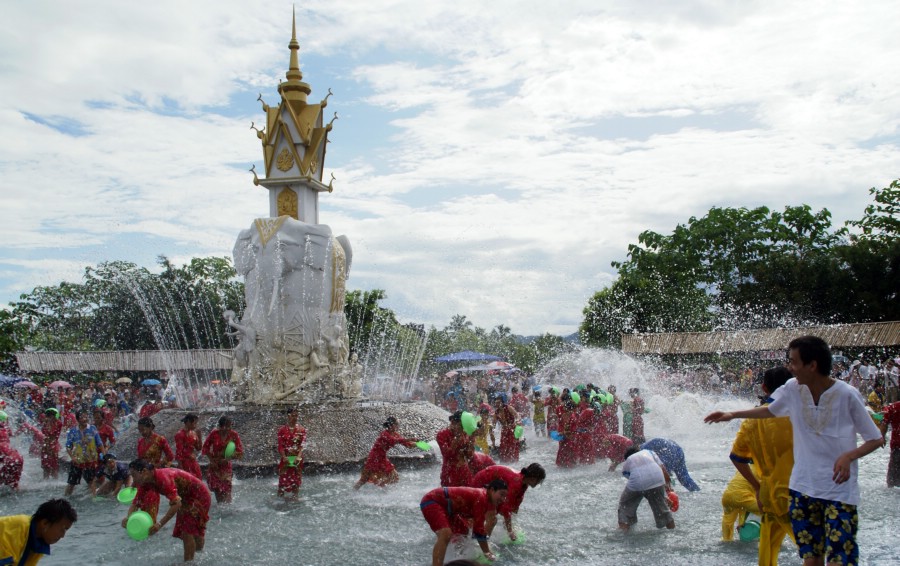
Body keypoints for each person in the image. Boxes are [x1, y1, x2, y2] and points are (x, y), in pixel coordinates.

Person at [705, 336, 884, 566]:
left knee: (841, 558)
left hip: (839, 491)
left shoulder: (847, 395)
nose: (790, 368)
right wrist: (732, 414)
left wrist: (849, 456)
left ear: (812, 365)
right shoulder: (792, 389)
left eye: (793, 362)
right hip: (802, 489)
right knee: (811, 557)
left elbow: (875, 438)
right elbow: (771, 411)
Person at [727, 366, 794, 562]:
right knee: (814, 550)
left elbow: (736, 457)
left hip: (770, 495)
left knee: (768, 552)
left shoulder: (752, 420)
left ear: (764, 388)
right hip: (801, 492)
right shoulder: (803, 412)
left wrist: (757, 487)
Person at [123, 459, 211, 563]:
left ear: (144, 471)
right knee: (192, 529)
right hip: (186, 497)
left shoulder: (162, 478)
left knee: (187, 530)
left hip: (199, 496)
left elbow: (176, 504)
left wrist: (159, 524)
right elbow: (136, 502)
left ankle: (188, 563)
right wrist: (128, 518)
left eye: (134, 475)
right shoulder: (146, 482)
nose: (133, 480)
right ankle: (200, 556)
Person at [420, 479, 508, 566]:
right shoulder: (482, 497)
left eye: (505, 496)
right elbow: (478, 530)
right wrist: (487, 552)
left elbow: (490, 521)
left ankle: (457, 560)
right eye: (501, 494)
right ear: (492, 490)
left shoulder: (489, 500)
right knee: (445, 533)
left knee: (463, 532)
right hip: (432, 501)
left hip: (450, 510)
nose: (503, 499)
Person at [470, 463, 545, 540]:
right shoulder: (516, 483)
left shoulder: (523, 483)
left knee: (496, 512)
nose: (539, 483)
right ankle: (480, 545)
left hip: (488, 485)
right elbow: (506, 509)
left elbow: (515, 506)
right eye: (539, 480)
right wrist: (510, 532)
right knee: (492, 520)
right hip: (479, 483)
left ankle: (479, 537)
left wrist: (510, 525)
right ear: (533, 478)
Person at [0, 498, 77, 565]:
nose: (63, 535)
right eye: (62, 529)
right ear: (45, 523)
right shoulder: (18, 527)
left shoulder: (39, 543)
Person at [617, 446, 675, 532]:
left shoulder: (628, 460)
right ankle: (672, 531)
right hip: (658, 480)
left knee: (625, 506)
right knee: (663, 511)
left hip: (637, 483)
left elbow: (640, 483)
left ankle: (624, 532)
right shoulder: (649, 452)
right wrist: (668, 493)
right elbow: (663, 471)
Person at [354, 415, 414, 490]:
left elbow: (408, 445)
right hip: (374, 458)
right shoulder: (384, 434)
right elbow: (394, 441)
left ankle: (381, 488)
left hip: (382, 458)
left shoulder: (396, 434)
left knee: (394, 477)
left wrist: (422, 445)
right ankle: (352, 492)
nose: (398, 426)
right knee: (363, 480)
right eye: (397, 424)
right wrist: (409, 439)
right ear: (391, 425)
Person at [201, 415, 244, 504]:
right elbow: (205, 448)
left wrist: (227, 459)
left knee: (227, 486)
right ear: (220, 426)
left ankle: (228, 506)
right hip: (215, 465)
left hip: (226, 465)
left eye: (230, 426)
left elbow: (240, 451)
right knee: (217, 488)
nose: (228, 428)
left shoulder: (233, 434)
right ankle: (220, 506)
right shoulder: (214, 434)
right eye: (226, 426)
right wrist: (211, 461)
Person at [64, 410, 104, 497]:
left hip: (90, 460)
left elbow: (99, 443)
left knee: (91, 481)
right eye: (82, 417)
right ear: (78, 419)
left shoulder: (92, 428)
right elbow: (68, 446)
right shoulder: (73, 431)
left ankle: (94, 498)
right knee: (71, 482)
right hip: (77, 461)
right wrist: (72, 457)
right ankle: (65, 497)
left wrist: (104, 455)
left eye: (86, 417)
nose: (85, 419)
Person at [437, 411, 474, 487]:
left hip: (464, 472)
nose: (463, 429)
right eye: (461, 425)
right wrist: (456, 439)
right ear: (453, 422)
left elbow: (469, 456)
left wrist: (471, 442)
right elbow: (447, 454)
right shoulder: (442, 435)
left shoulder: (465, 433)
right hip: (449, 472)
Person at [720, 470, 760, 541]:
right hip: (742, 496)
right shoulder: (762, 470)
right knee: (767, 510)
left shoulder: (743, 468)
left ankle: (726, 540)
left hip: (727, 497)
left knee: (728, 520)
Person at [277, 408, 307, 498]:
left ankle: (295, 498)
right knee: (282, 481)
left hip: (297, 459)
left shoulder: (301, 430)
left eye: (296, 416)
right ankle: (280, 499)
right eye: (293, 415)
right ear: (288, 416)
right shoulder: (282, 430)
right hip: (285, 459)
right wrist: (284, 456)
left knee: (296, 480)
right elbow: (280, 446)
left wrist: (298, 456)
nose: (295, 418)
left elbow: (303, 445)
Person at [491, 393, 520, 463]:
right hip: (504, 431)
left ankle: (514, 462)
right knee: (503, 447)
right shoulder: (496, 412)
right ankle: (505, 462)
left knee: (513, 446)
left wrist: (516, 422)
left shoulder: (508, 407)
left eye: (498, 402)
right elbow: (493, 424)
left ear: (502, 402)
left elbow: (517, 415)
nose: (497, 404)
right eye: (495, 403)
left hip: (512, 429)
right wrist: (491, 427)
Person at [174, 413, 202, 479]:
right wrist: (181, 468)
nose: (196, 426)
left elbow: (198, 448)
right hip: (184, 464)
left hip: (193, 463)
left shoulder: (194, 433)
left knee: (197, 483)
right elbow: (179, 452)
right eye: (195, 423)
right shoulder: (180, 434)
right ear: (188, 422)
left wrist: (200, 437)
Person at [880, 398, 900, 487]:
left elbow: (884, 423)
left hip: (897, 446)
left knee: (892, 479)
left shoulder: (893, 407)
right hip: (896, 445)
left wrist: (882, 437)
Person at [39, 408, 62, 480]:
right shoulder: (45, 425)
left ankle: (55, 481)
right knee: (46, 468)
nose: (52, 418)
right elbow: (45, 436)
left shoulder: (58, 423)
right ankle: (46, 482)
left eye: (53, 416)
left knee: (54, 468)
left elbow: (52, 435)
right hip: (46, 447)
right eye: (49, 416)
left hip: (53, 447)